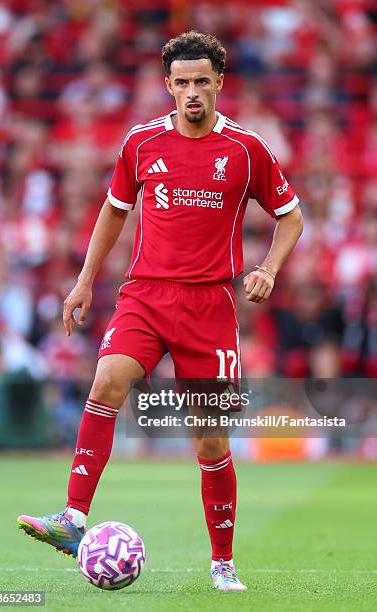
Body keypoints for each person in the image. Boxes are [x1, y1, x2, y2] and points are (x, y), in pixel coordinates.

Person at [17, 31, 303, 591]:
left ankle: (223, 563)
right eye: (182, 83)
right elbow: (114, 212)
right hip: (145, 293)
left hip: (210, 306)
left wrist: (267, 267)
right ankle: (73, 519)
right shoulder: (142, 142)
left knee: (211, 442)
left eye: (202, 81)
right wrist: (84, 281)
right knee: (106, 381)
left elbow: (290, 216)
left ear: (219, 82)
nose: (192, 92)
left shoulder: (246, 150)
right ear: (167, 86)